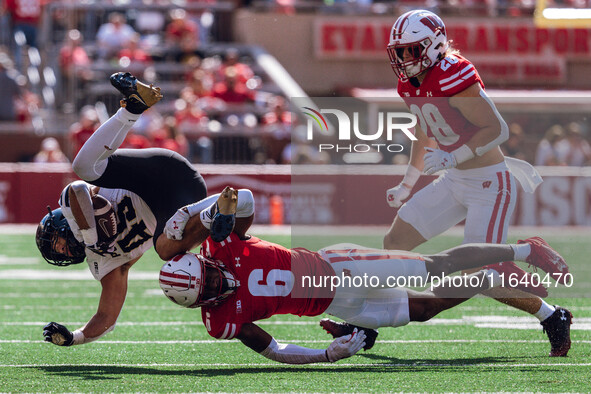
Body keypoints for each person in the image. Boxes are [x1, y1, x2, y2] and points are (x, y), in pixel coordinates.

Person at [156, 188, 571, 364]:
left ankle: (525, 249)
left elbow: (242, 199)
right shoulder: (220, 321)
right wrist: (324, 355)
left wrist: (213, 213)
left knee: (438, 265)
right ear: (198, 303)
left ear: (204, 263)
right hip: (339, 301)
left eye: (209, 278)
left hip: (342, 268)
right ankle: (500, 286)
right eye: (208, 292)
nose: (217, 285)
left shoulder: (220, 246)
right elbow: (273, 348)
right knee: (426, 308)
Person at [382, 9, 571, 356]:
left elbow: (496, 129)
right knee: (395, 239)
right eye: (399, 51)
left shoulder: (454, 73)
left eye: (410, 50)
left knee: (477, 275)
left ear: (434, 44)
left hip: (488, 183)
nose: (403, 59)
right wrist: (408, 182)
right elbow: (423, 128)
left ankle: (552, 316)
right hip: (454, 178)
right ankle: (367, 322)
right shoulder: (410, 83)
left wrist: (453, 157)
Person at [37, 72, 240, 347]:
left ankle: (133, 107)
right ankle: (212, 212)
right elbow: (107, 315)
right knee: (166, 251)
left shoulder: (72, 206)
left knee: (83, 168)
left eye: (58, 244)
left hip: (158, 174)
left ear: (63, 224)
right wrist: (74, 338)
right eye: (59, 253)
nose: (63, 251)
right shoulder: (103, 263)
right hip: (177, 203)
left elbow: (80, 192)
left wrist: (92, 238)